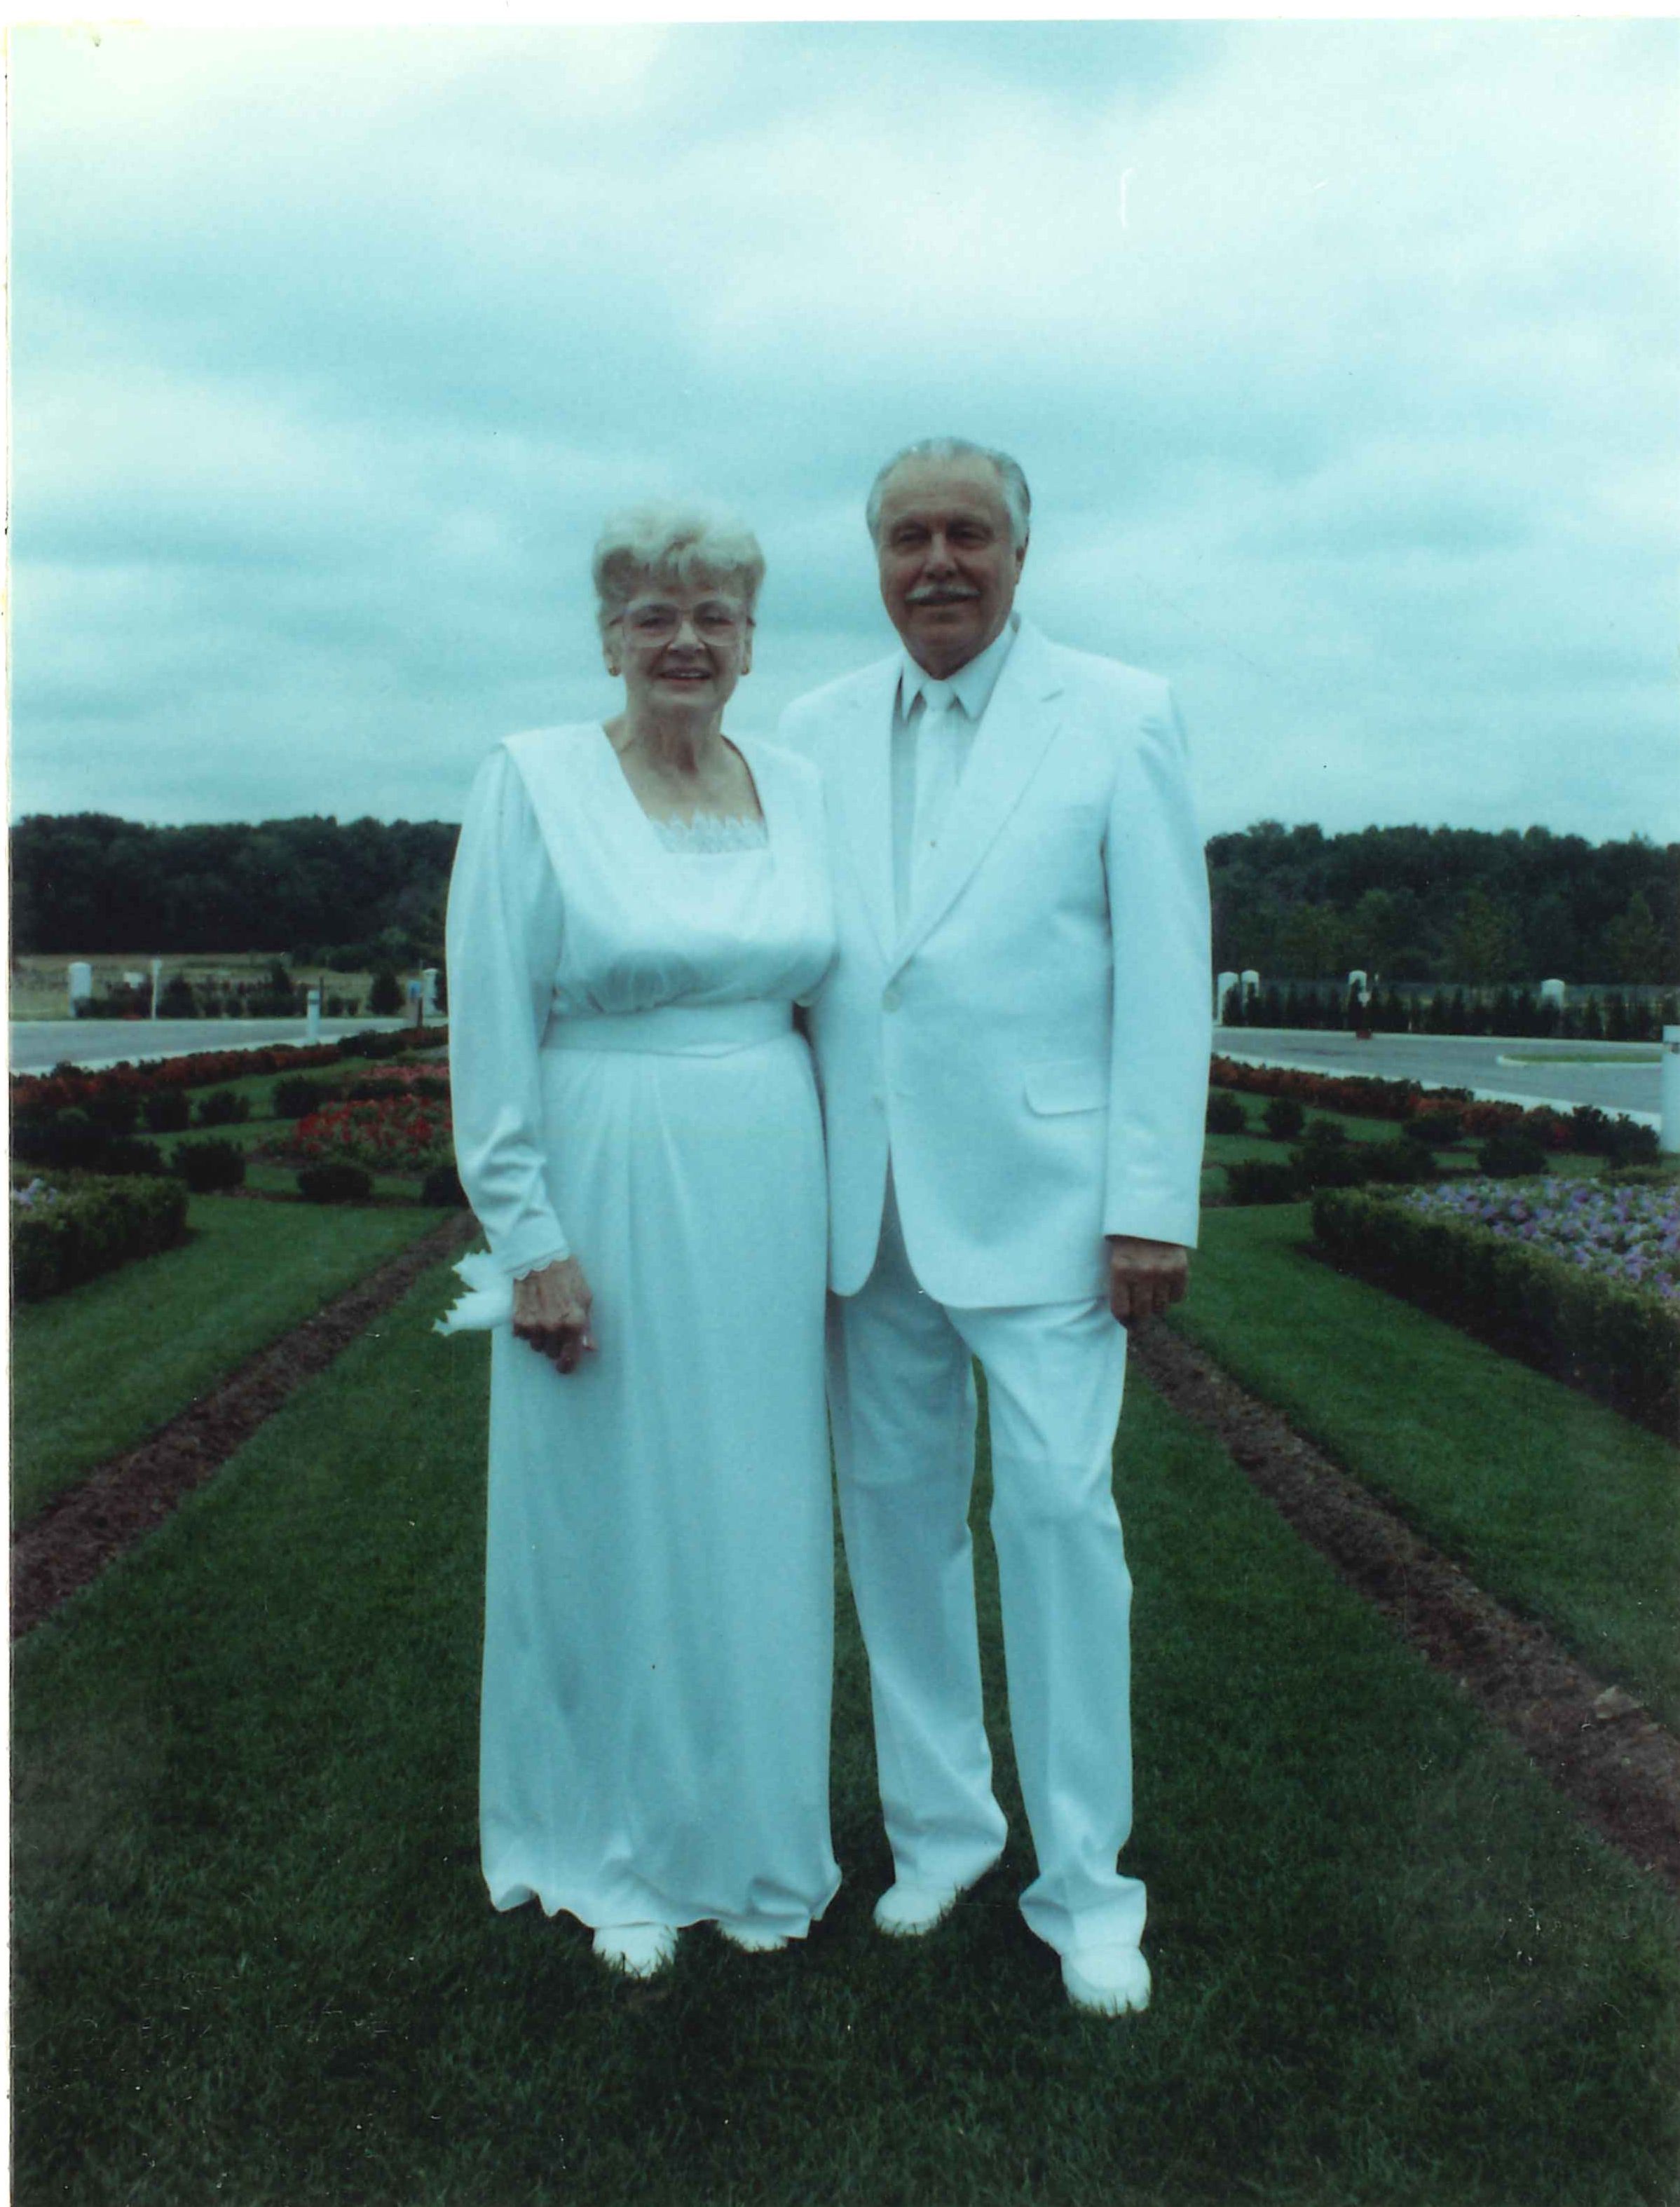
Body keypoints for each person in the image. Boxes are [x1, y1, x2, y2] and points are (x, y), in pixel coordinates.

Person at [777, 437, 1210, 2016]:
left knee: (1055, 1528)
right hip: (866, 1212)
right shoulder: (810, 732)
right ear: (875, 558)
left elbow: (1166, 974)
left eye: (967, 534)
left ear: (1021, 555)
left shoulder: (1120, 713)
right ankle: (942, 1831)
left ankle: (1087, 1884)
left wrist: (1149, 1204)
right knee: (894, 1533)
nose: (936, 562)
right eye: (906, 537)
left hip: (1048, 1213)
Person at [442, 505, 840, 1979]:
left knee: (752, 1512)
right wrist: (527, 1235)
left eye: (714, 615)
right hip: (603, 1168)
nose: (684, 640)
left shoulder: (796, 787)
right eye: (651, 614)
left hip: (766, 1181)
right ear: (606, 633)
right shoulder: (530, 780)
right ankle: (602, 1849)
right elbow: (490, 1030)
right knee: (602, 1515)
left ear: (749, 637)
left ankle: (747, 1842)